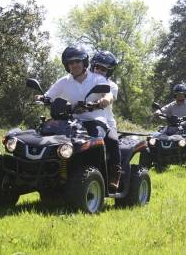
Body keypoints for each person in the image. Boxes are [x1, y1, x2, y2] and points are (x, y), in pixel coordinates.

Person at [35, 45, 121, 189]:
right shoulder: (64, 81)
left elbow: (109, 93)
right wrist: (41, 98)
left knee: (104, 140)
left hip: (96, 120)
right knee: (48, 133)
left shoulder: (97, 79)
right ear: (66, 65)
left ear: (84, 63)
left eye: (77, 61)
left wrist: (105, 100)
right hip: (72, 120)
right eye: (70, 62)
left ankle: (111, 173)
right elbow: (49, 95)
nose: (74, 65)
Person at [89, 50, 121, 189]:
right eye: (97, 67)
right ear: (92, 66)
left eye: (103, 69)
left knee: (113, 141)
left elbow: (110, 96)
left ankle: (115, 174)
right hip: (83, 121)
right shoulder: (84, 82)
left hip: (106, 123)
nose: (99, 71)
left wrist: (104, 100)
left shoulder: (112, 85)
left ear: (109, 71)